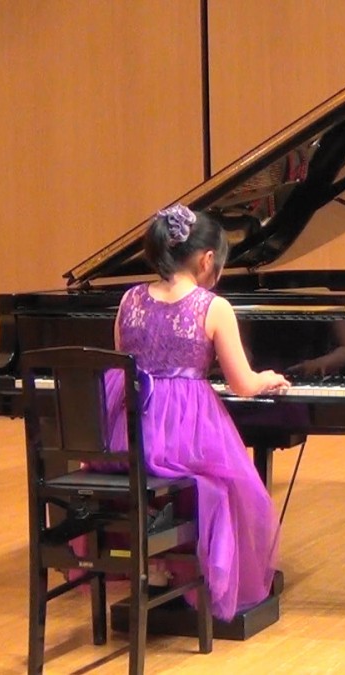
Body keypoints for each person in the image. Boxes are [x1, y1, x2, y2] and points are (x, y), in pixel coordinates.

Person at [102, 203, 290, 620]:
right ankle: (201, 576)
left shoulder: (129, 300)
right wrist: (267, 377)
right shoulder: (212, 307)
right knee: (233, 487)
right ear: (207, 260)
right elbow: (242, 384)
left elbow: (122, 363)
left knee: (183, 480)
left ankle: (159, 564)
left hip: (127, 435)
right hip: (184, 436)